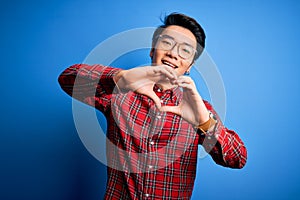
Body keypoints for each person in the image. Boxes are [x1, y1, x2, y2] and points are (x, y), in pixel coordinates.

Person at [58, 13, 247, 200]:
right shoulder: (118, 93)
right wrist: (120, 78)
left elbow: (238, 159)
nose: (173, 53)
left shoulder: (198, 109)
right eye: (167, 43)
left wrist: (204, 122)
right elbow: (67, 79)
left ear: (190, 65)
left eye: (185, 50)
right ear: (152, 50)